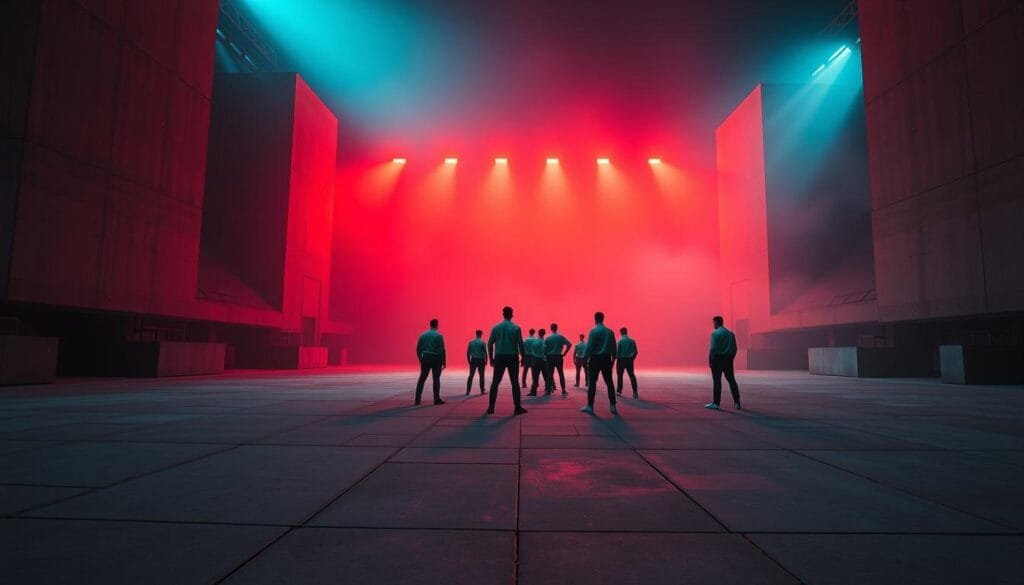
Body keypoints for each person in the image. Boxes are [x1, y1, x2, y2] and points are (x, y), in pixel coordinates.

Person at [487, 306, 528, 415]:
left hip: (499, 356)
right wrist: (523, 357)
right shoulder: (516, 328)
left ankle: (491, 407)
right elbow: (520, 344)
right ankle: (517, 407)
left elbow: (490, 343)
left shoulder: (496, 328)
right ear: (511, 314)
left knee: (495, 382)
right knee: (514, 382)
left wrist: (491, 358)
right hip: (512, 357)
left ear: (503, 314)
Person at [581, 312, 617, 415]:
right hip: (606, 358)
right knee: (609, 382)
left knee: (592, 382)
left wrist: (584, 359)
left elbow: (589, 347)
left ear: (595, 319)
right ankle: (613, 405)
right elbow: (614, 347)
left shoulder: (593, 331)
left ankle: (590, 406)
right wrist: (613, 359)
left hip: (595, 359)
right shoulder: (610, 332)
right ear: (603, 318)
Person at [706, 315, 741, 410]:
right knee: (731, 380)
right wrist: (731, 358)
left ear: (716, 322)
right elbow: (735, 348)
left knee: (717, 381)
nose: (713, 325)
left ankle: (716, 403)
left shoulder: (715, 334)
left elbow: (713, 348)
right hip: (728, 359)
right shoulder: (731, 334)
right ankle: (737, 402)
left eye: (713, 323)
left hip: (717, 360)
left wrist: (710, 360)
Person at [415, 318, 446, 405]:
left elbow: (418, 349)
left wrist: (420, 359)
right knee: (436, 378)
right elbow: (442, 350)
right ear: (437, 325)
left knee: (422, 378)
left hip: (425, 357)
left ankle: (417, 400)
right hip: (436, 358)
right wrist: (444, 361)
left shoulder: (423, 335)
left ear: (430, 324)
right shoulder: (439, 336)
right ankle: (436, 399)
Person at [544, 322, 573, 396]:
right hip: (558, 356)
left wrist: (545, 355)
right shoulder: (561, 337)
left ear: (551, 328)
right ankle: (563, 390)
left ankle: (548, 390)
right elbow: (569, 344)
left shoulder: (548, 338)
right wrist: (564, 353)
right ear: (557, 328)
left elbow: (544, 348)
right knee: (561, 373)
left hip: (550, 357)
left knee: (550, 374)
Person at [529, 328, 554, 395]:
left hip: (536, 360)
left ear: (538, 333)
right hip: (544, 360)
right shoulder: (545, 342)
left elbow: (533, 352)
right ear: (544, 333)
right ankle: (548, 390)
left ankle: (533, 391)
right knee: (546, 376)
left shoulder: (535, 343)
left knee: (535, 376)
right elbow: (546, 351)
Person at [616, 327, 639, 398]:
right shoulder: (632, 341)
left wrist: (615, 359)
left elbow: (617, 353)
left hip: (621, 360)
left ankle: (619, 391)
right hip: (629, 360)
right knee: (632, 375)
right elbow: (636, 352)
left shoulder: (619, 342)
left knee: (620, 376)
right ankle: (635, 392)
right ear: (626, 332)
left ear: (621, 332)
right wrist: (632, 358)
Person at [466, 329, 487, 395]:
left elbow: (468, 353)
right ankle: (482, 390)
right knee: (481, 375)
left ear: (476, 334)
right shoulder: (483, 342)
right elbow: (485, 353)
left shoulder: (471, 342)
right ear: (481, 334)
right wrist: (486, 360)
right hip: (481, 360)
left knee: (471, 375)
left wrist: (469, 361)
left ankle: (468, 390)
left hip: (473, 360)